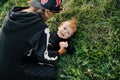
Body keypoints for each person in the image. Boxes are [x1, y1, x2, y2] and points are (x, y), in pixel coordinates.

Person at [0, 0, 63, 80]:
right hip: (8, 71)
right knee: (51, 72)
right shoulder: (40, 28)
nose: (53, 15)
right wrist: (60, 52)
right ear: (47, 11)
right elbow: (43, 57)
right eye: (54, 13)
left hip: (4, 60)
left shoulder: (15, 12)